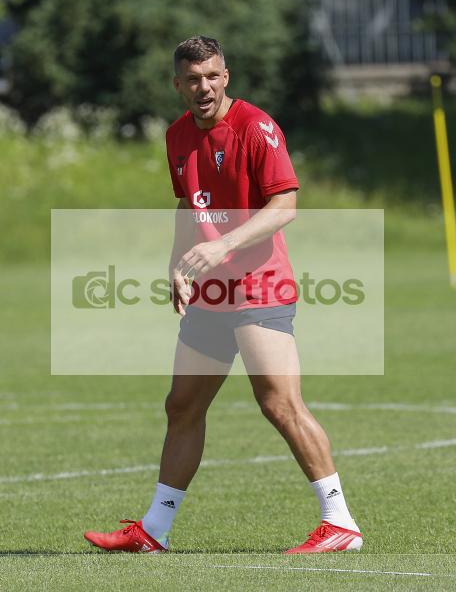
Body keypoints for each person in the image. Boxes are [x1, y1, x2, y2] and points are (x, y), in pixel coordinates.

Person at [84, 36, 361, 554]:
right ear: (178, 85)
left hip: (259, 287)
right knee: (182, 405)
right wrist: (178, 268)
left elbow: (286, 207)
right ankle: (154, 530)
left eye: (211, 76)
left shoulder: (256, 127)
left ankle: (339, 521)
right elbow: (189, 210)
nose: (203, 87)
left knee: (279, 403)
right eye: (192, 79)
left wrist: (223, 246)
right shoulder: (176, 137)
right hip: (211, 295)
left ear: (225, 76)